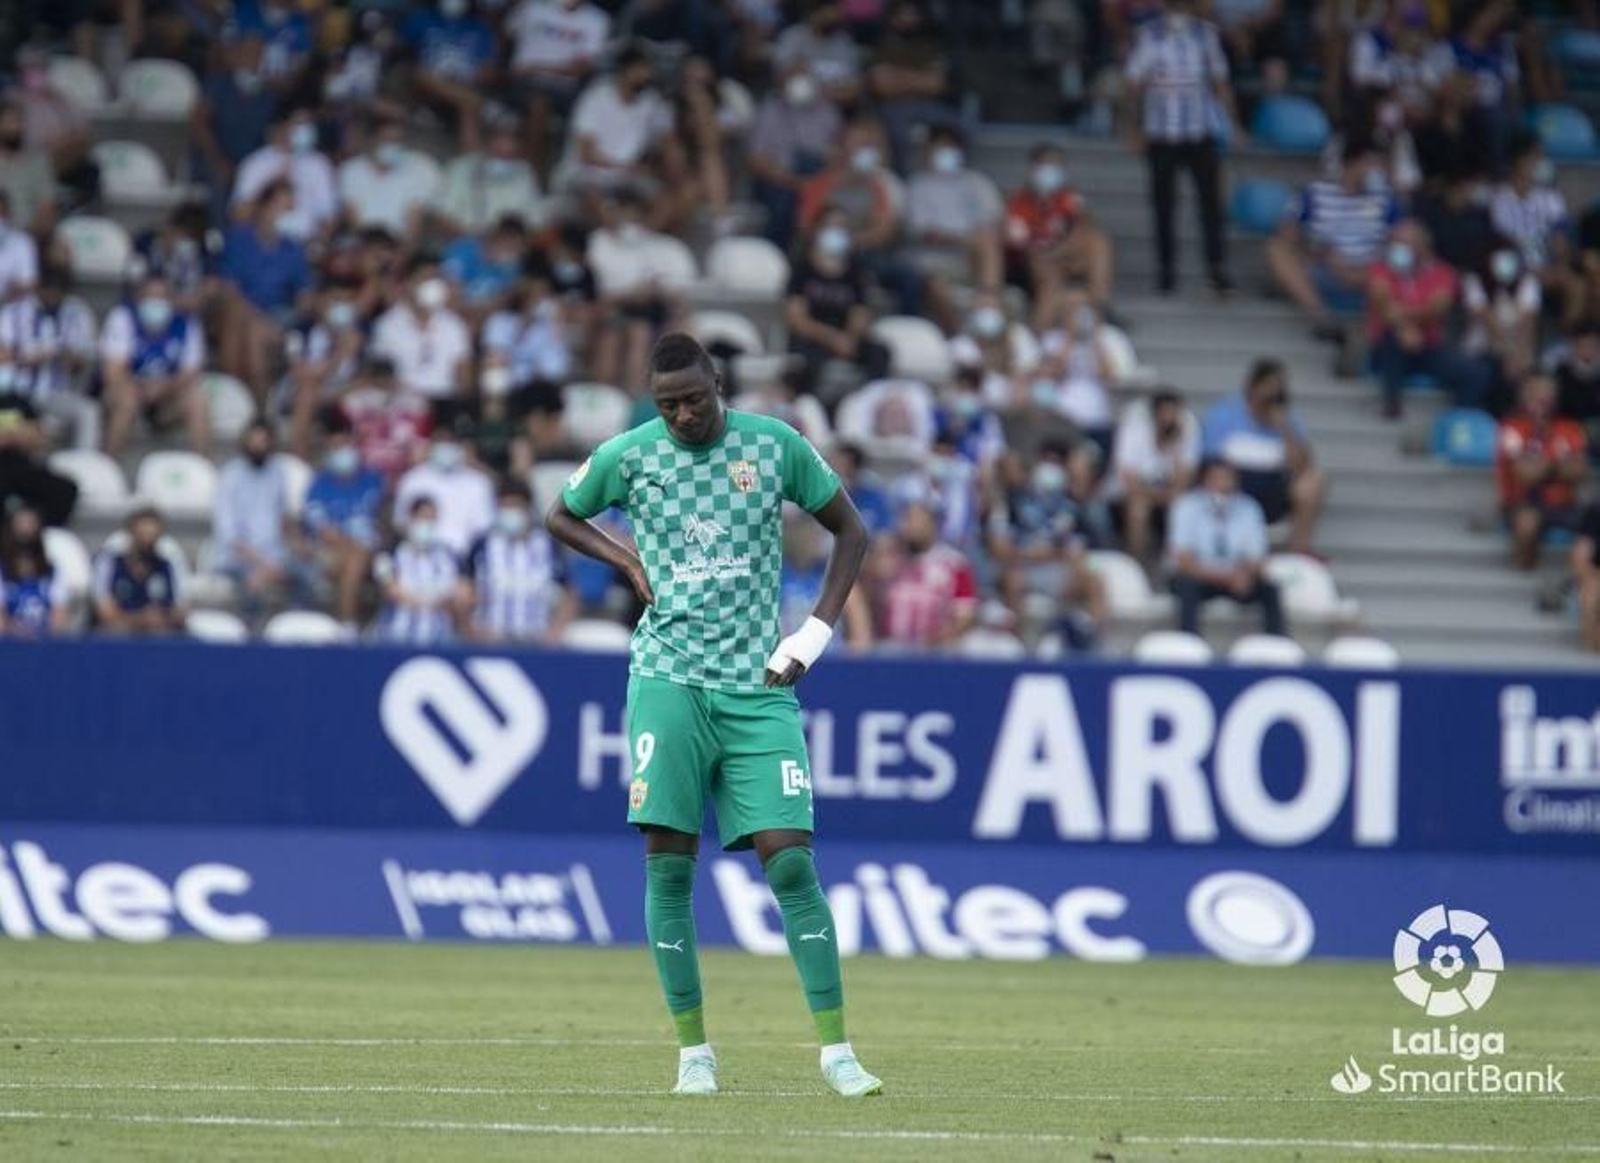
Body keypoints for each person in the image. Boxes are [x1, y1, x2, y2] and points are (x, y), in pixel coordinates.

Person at [545, 332, 880, 1099]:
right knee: (669, 865)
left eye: (693, 398)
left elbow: (851, 532)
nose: (683, 415)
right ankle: (694, 1050)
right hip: (667, 678)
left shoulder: (774, 446)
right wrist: (626, 559)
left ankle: (837, 1051)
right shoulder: (631, 454)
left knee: (790, 858)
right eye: (667, 404)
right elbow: (560, 514)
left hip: (759, 682)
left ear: (717, 385)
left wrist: (814, 633)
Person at [1125, 0, 1239, 295]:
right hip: (1161, 133)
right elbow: (1134, 83)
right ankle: (1166, 273)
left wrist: (1233, 123)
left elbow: (1220, 82)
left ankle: (1217, 269)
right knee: (1163, 205)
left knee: (1210, 204)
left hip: (1199, 130)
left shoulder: (1206, 34)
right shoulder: (1149, 34)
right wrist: (1133, 126)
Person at [1267, 137, 1400, 343]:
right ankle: (1322, 319)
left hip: (1370, 271)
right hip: (1325, 266)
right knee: (1277, 249)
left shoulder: (1385, 198)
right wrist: (1321, 252)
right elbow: (1287, 233)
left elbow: (1401, 240)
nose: (1377, 171)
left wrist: (1372, 266)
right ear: (1354, 163)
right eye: (1372, 164)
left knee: (1400, 263)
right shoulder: (1314, 192)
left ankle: (1363, 338)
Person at [1366, 219, 1489, 419]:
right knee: (1393, 339)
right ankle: (1392, 404)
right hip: (1386, 348)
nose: (1397, 248)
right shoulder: (1381, 268)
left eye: (1405, 243)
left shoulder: (1443, 272)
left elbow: (1436, 310)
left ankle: (1456, 422)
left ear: (1422, 246)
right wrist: (1404, 327)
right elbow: (1383, 305)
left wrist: (1405, 318)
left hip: (1428, 347)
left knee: (1475, 373)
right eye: (1395, 243)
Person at [1201, 359, 1324, 555]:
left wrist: (1284, 429)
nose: (1272, 396)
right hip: (1237, 485)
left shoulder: (1287, 419)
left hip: (1274, 486)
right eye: (1268, 388)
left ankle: (1299, 550)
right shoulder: (1224, 414)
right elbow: (1210, 459)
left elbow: (1302, 466)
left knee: (1314, 480)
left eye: (1278, 389)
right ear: (1253, 386)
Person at [1168, 458, 1285, 636]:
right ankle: (1189, 643)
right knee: (1186, 585)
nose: (1222, 485)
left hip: (1238, 579)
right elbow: (1183, 560)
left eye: (1227, 478)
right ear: (1204, 481)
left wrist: (1245, 574)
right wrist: (1224, 578)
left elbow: (1257, 557)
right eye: (1216, 478)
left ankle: (1278, 644)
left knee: (1270, 589)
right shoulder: (1187, 506)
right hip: (1201, 577)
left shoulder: (1249, 508)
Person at [100, 273, 211, 457]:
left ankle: (203, 471)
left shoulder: (186, 323)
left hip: (166, 397)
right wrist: (140, 388)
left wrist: (164, 387)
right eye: (150, 297)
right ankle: (108, 469)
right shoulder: (123, 317)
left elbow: (191, 371)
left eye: (162, 298)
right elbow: (113, 371)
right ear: (139, 298)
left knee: (197, 399)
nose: (156, 303)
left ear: (172, 300)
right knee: (126, 398)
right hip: (128, 392)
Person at [220, 179, 312, 400]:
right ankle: (243, 398)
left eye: (290, 208)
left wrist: (292, 321)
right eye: (280, 206)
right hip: (242, 311)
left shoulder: (294, 248)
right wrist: (255, 317)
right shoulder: (241, 239)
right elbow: (229, 288)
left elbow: (305, 296)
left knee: (254, 329)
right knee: (243, 321)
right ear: (263, 208)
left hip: (278, 314)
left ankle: (256, 403)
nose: (284, 213)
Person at [1004, 142, 1115, 318]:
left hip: (1061, 256)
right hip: (1028, 266)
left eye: (1056, 166)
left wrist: (1062, 252)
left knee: (1098, 243)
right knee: (1046, 267)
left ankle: (1100, 306)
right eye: (1045, 165)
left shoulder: (1068, 198)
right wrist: (1052, 255)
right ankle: (1041, 325)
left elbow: (1084, 229)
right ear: (1032, 169)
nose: (1051, 171)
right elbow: (1020, 245)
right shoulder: (1018, 202)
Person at [1495, 374, 1588, 571]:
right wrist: (1560, 466)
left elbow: (1580, 470)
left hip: (1564, 504)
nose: (1542, 401)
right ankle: (1526, 577)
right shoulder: (1511, 428)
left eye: (1547, 395)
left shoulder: (1569, 428)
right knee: (1527, 524)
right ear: (1524, 397)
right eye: (1536, 395)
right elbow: (1525, 474)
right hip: (1522, 502)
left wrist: (1543, 466)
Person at [0, 266, 100, 450]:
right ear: (39, 289)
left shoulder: (75, 314)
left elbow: (82, 359)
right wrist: (29, 356)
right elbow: (3, 354)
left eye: (57, 292)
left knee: (88, 411)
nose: (52, 297)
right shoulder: (13, 313)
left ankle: (85, 465)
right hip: (16, 390)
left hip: (53, 394)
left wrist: (68, 358)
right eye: (48, 291)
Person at [466, 479, 576, 643]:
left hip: (537, 638)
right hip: (491, 639)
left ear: (527, 508)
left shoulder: (547, 545)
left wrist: (556, 630)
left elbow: (569, 592)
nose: (509, 512)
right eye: (504, 506)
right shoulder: (482, 544)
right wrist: (471, 629)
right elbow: (463, 589)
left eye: (515, 506)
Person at [748, 62, 844, 252]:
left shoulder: (827, 111)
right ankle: (775, 253)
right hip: (779, 180)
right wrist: (793, 181)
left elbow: (839, 155)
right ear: (782, 82)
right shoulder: (769, 111)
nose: (800, 82)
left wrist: (818, 182)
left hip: (820, 179)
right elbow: (756, 160)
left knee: (814, 170)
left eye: (804, 76)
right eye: (793, 77)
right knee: (786, 201)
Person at [214, 419, 302, 625]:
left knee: (305, 577)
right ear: (244, 442)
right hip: (237, 560)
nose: (258, 446)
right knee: (252, 585)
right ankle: (251, 642)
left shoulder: (278, 473)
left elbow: (282, 520)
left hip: (274, 557)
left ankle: (296, 638)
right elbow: (230, 537)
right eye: (254, 440)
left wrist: (296, 544)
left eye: (263, 441)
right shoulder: (230, 476)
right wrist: (264, 566)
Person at [869, 497, 978, 647]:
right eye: (906, 519)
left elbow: (964, 615)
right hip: (890, 649)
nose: (910, 526)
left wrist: (935, 644)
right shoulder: (890, 561)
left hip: (936, 652)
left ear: (931, 523)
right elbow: (869, 605)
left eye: (916, 519)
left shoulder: (955, 565)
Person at [1109, 387, 1201, 563]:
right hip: (1137, 491)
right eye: (1165, 413)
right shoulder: (1134, 430)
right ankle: (1137, 561)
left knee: (1183, 505)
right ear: (1154, 414)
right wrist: (1155, 495)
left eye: (1173, 413)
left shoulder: (1188, 429)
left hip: (1169, 491)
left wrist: (1173, 448)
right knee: (1139, 508)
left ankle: (1175, 561)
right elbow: (1128, 478)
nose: (1169, 419)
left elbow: (1186, 477)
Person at [371, 259, 474, 415]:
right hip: (403, 402)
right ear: (408, 284)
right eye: (425, 279)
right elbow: (381, 373)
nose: (431, 285)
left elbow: (463, 372)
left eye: (435, 280)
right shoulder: (387, 325)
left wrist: (462, 406)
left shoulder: (454, 325)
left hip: (444, 400)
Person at [231, 106, 340, 243]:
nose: (305, 129)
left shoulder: (319, 164)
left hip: (305, 244)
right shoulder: (256, 164)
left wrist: (319, 243)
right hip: (263, 243)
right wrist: (272, 184)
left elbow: (329, 216)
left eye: (309, 124)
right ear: (282, 127)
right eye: (299, 123)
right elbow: (238, 215)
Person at [402, 0, 496, 153]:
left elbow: (488, 69)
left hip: (464, 83)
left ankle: (469, 158)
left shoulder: (479, 27)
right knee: (420, 75)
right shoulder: (421, 19)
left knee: (467, 103)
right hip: (427, 83)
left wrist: (469, 79)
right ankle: (483, 108)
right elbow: (404, 54)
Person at [374, 494, 466, 645]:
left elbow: (461, 590)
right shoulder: (388, 553)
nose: (427, 524)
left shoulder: (449, 554)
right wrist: (431, 600)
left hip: (440, 638)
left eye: (431, 519)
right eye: (422, 518)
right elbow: (389, 589)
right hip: (396, 638)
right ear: (410, 519)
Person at [394, 425, 495, 557]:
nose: (445, 448)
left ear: (458, 448)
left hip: (465, 556)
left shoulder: (479, 482)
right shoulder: (412, 480)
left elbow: (484, 527)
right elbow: (401, 522)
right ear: (431, 447)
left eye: (449, 443)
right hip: (421, 554)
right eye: (440, 443)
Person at [92, 506, 187, 635]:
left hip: (159, 639)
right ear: (131, 533)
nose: (147, 541)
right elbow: (105, 613)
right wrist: (140, 619)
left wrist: (163, 618)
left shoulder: (168, 567)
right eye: (143, 534)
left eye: (153, 536)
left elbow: (181, 612)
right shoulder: (110, 564)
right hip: (118, 641)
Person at [0, 391, 77, 527]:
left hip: (20, 466)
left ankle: (37, 534)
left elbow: (41, 438)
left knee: (65, 490)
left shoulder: (16, 402)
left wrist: (18, 436)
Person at [0, 503, 67, 637]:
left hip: (44, 643)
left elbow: (59, 616)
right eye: (21, 524)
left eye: (30, 523)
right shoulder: (2, 570)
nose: (26, 530)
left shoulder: (52, 571)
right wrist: (18, 632)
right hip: (9, 644)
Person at [1573, 500, 1600, 652]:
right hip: (1595, 576)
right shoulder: (1596, 511)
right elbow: (1581, 553)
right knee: (1590, 593)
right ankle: (1592, 650)